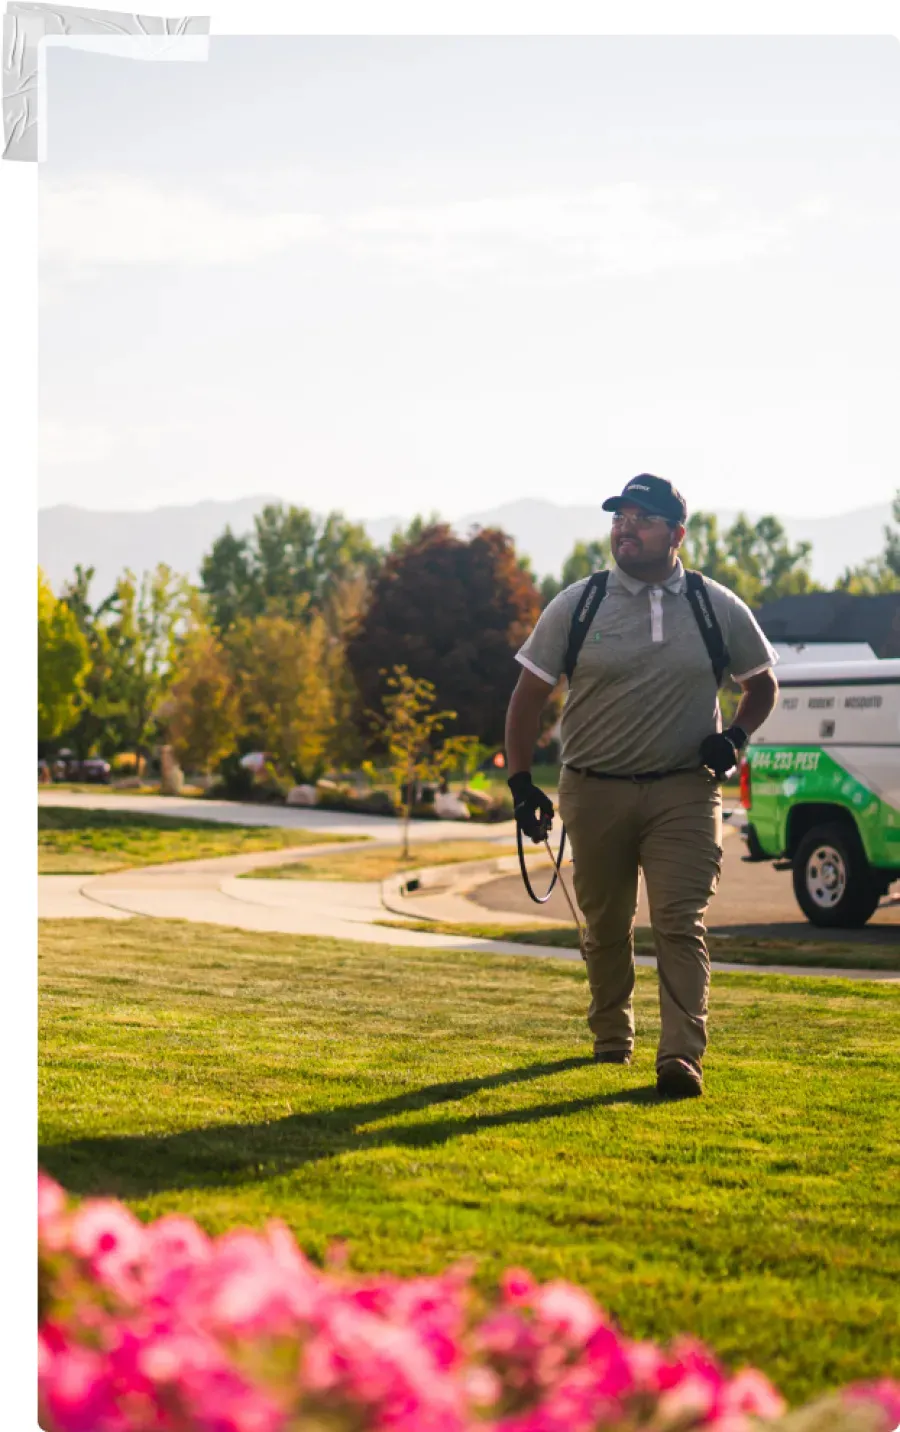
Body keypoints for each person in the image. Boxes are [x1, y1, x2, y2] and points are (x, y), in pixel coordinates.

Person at [504, 474, 779, 1099]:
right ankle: (611, 1036)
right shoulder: (579, 603)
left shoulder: (715, 605)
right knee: (606, 925)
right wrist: (522, 784)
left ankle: (681, 1057)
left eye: (643, 518)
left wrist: (734, 739)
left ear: (676, 535)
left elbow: (760, 685)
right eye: (620, 517)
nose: (625, 528)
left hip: (684, 789)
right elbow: (526, 699)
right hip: (592, 788)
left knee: (680, 921)